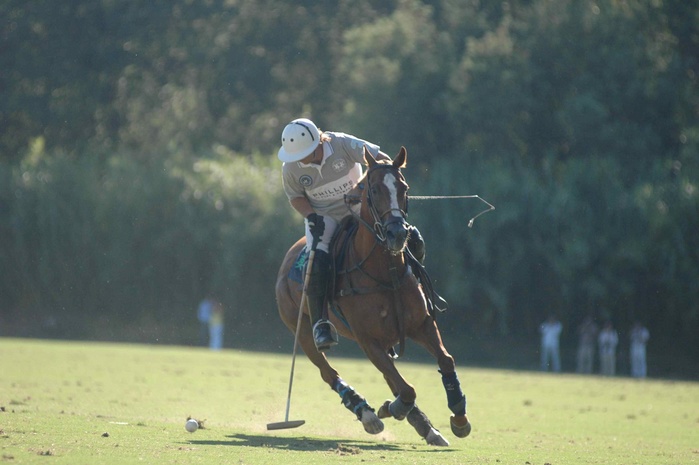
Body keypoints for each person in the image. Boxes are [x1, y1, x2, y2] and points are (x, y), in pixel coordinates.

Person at [278, 118, 426, 352]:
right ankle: (321, 324)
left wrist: (360, 188)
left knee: (408, 237)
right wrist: (311, 216)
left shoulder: (342, 143)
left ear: (317, 143)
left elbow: (383, 160)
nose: (300, 160)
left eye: (304, 154)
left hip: (359, 207)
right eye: (296, 156)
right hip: (323, 216)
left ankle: (417, 296)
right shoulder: (291, 167)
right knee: (317, 259)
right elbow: (295, 197)